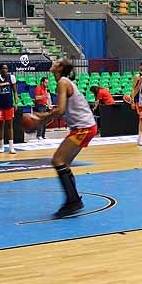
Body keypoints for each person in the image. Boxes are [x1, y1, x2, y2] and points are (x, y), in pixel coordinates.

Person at [34, 59, 98, 218]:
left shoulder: (62, 82)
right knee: (64, 163)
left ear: (60, 68)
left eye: (56, 61)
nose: (53, 62)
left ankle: (73, 201)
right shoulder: (62, 82)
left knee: (58, 160)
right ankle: (73, 199)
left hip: (84, 127)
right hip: (83, 126)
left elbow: (61, 110)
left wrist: (44, 116)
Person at [0, 64, 18, 154]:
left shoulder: (11, 78)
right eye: (3, 68)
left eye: (6, 68)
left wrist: (16, 102)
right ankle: (1, 146)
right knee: (0, 126)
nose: (5, 70)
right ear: (0, 70)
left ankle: (11, 147)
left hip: (9, 105)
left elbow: (15, 91)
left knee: (10, 125)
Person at [33, 76, 51, 141]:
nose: (47, 84)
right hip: (39, 106)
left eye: (47, 83)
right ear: (42, 82)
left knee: (44, 121)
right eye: (46, 83)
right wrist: (44, 96)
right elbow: (36, 98)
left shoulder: (45, 89)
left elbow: (46, 98)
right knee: (40, 121)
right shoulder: (38, 88)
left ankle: (43, 135)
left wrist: (48, 105)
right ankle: (39, 135)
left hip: (44, 106)